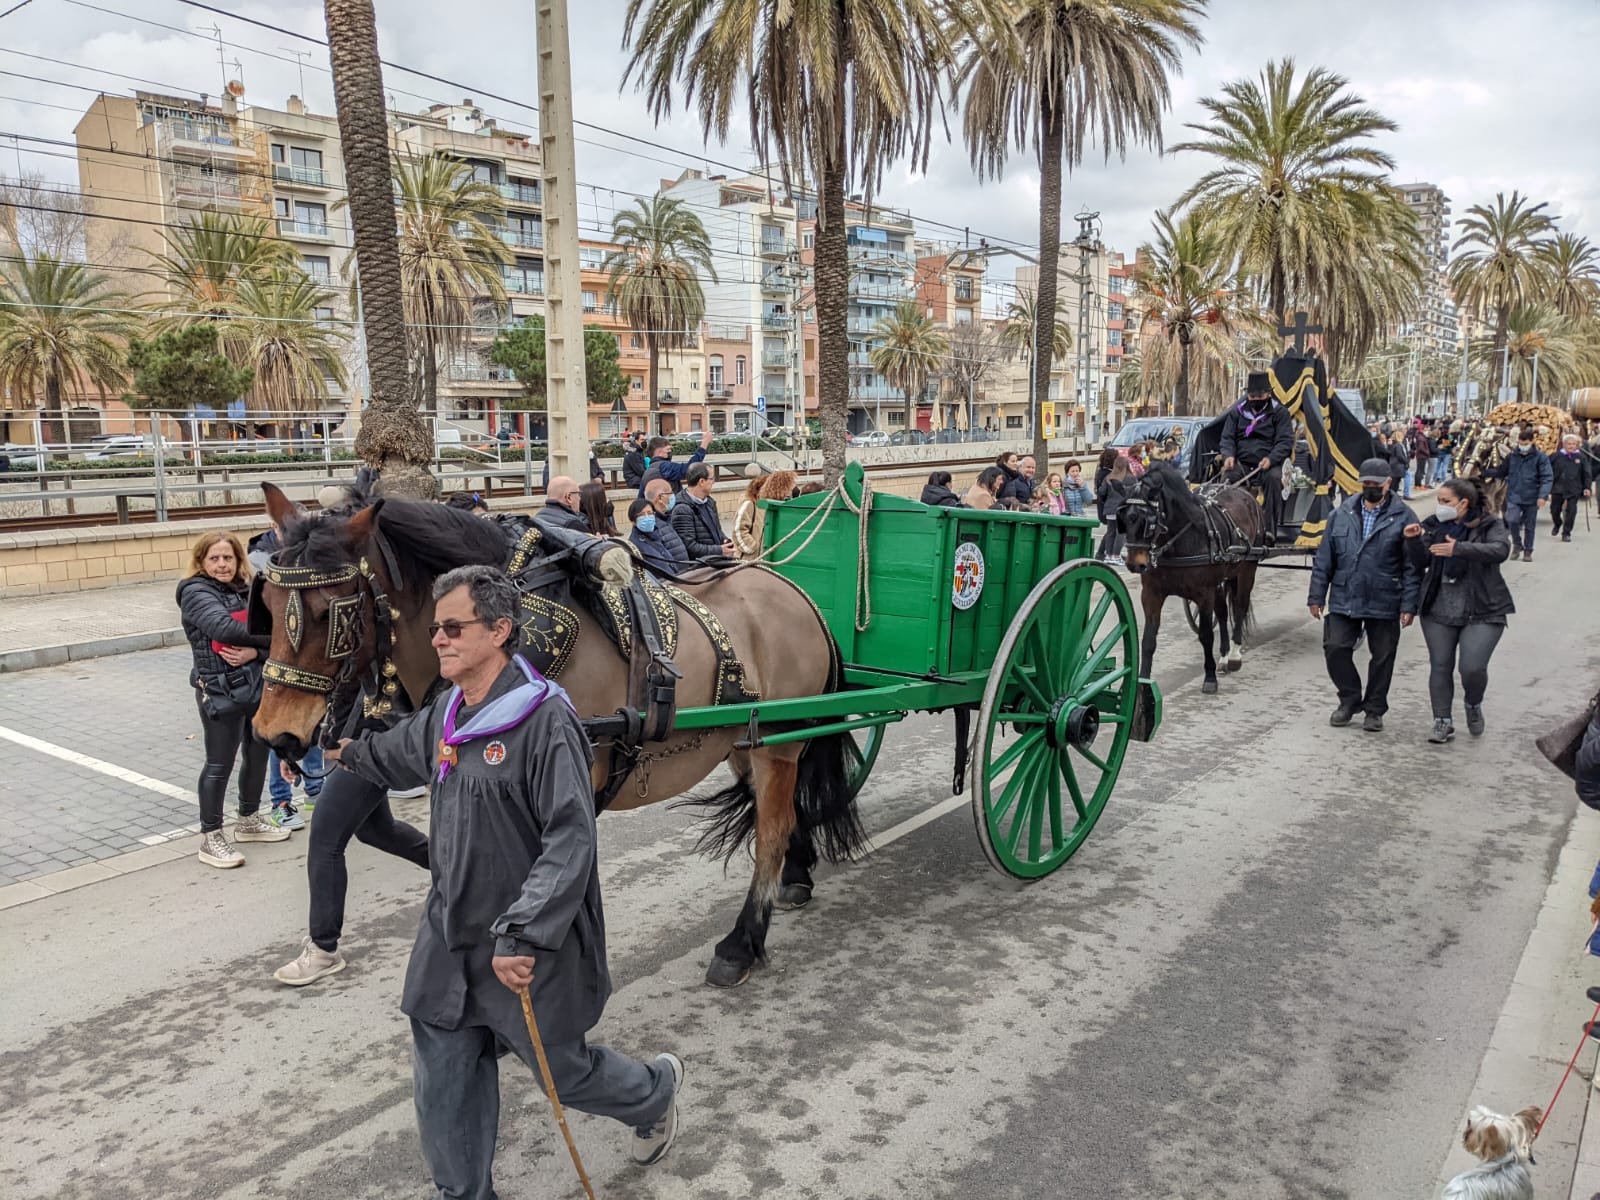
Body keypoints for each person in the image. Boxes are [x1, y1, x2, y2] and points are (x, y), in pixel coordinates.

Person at [327, 566, 683, 1190]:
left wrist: (524, 932)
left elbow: (570, 837)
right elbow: (398, 753)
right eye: (436, 627)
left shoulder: (545, 721)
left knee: (563, 1074)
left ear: (499, 631)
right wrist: (350, 749)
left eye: (454, 627)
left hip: (523, 943)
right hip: (450, 935)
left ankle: (653, 1094)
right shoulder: (448, 712)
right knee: (445, 1081)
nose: (437, 639)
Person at [177, 532, 289, 869]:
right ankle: (211, 837)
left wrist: (257, 649)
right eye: (214, 558)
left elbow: (270, 637)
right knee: (219, 763)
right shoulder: (195, 591)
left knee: (256, 755)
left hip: (254, 685)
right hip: (219, 689)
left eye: (228, 557)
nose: (222, 564)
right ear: (202, 561)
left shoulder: (248, 587)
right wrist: (276, 634)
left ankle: (249, 820)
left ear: (239, 559)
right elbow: (222, 627)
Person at [1307, 457, 1420, 733]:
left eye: (1375, 484)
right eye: (1365, 483)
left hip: (1385, 596)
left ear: (1388, 484)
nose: (1369, 488)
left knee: (1383, 656)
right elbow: (1324, 559)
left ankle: (1374, 710)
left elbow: (1413, 566)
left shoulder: (1405, 516)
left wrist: (1409, 604)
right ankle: (1349, 698)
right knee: (1335, 648)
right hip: (1346, 594)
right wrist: (1316, 596)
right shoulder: (1341, 513)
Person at [1402, 478, 1513, 744]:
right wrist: (1415, 540)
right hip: (1438, 606)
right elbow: (1422, 562)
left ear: (1463, 503)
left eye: (1445, 501)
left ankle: (1473, 703)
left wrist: (1458, 549)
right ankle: (1442, 721)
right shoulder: (1434, 525)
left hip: (1483, 608)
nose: (1440, 506)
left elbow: (1500, 550)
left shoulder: (1489, 524)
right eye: (1439, 501)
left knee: (1472, 668)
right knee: (1440, 665)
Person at [1218, 371, 1295, 543]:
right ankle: (1228, 526)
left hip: (1268, 463)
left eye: (1260, 395)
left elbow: (1285, 441)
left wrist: (1271, 458)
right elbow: (1227, 437)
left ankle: (1268, 530)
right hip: (1241, 462)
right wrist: (1228, 455)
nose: (1256, 399)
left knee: (1274, 480)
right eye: (1252, 396)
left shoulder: (1280, 413)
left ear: (1268, 394)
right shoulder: (1237, 413)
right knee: (1227, 480)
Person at [1491, 427, 1553, 561]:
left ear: (1532, 442)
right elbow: (1501, 471)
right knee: (1512, 520)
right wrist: (1484, 473)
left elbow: (1547, 478)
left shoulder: (1540, 457)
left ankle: (1528, 551)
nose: (1523, 447)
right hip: (1514, 495)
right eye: (1521, 444)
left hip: (1532, 497)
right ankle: (1517, 544)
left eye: (1526, 444)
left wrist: (1543, 496)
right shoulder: (1512, 456)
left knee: (1530, 526)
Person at [671, 462, 735, 559]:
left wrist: (725, 541)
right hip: (700, 567)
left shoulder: (709, 502)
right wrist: (719, 550)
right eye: (712, 478)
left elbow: (717, 531)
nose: (714, 482)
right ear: (701, 482)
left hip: (715, 560)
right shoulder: (682, 509)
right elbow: (689, 546)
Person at [731, 469, 798, 556]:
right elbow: (738, 530)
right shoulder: (750, 504)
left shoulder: (774, 505)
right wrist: (752, 548)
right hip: (749, 560)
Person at [628, 496, 692, 575]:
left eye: (650, 513)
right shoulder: (634, 544)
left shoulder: (656, 536)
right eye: (641, 515)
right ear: (633, 520)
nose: (647, 517)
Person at [638, 430, 712, 497]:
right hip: (670, 510)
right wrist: (704, 443)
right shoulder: (664, 467)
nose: (670, 452)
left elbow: (641, 498)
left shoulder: (648, 471)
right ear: (658, 451)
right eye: (668, 449)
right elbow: (690, 469)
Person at [1549, 433, 1592, 544]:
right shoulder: (1556, 456)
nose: (1571, 446)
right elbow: (1547, 470)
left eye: (1573, 444)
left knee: (1572, 511)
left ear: (1576, 445)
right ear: (1564, 445)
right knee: (1554, 510)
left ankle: (1566, 533)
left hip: (1574, 488)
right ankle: (1558, 523)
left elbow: (1587, 473)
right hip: (1558, 487)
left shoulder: (1581, 457)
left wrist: (1587, 487)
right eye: (1569, 444)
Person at [1095, 455, 1130, 562]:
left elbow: (1101, 492)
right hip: (1121, 509)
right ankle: (1116, 555)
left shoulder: (1109, 477)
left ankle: (1108, 555)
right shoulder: (1127, 478)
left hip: (1110, 508)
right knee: (1121, 533)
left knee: (1110, 532)